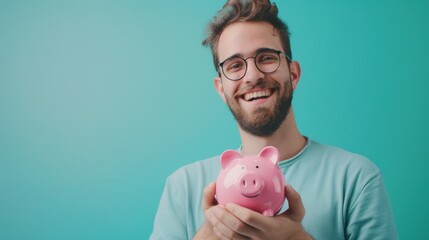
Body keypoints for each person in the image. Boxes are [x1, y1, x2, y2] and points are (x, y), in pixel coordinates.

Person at [150, 0, 397, 239]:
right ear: (221, 89)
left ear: (293, 73)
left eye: (266, 57)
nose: (252, 76)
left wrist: (295, 239)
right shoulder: (183, 187)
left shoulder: (356, 179)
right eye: (235, 65)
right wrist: (209, 235)